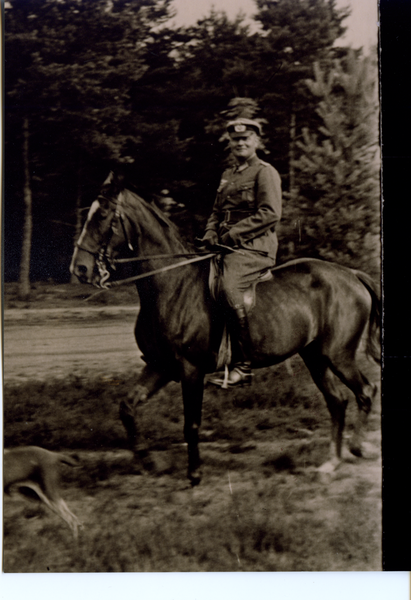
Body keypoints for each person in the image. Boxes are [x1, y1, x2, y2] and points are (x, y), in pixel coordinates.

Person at [198, 118, 282, 387]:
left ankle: (243, 366)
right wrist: (211, 232)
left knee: (228, 287)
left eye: (246, 138)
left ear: (257, 141)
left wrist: (233, 235)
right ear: (230, 143)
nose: (241, 143)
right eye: (236, 139)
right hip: (225, 246)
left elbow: (270, 214)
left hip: (254, 249)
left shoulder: (264, 172)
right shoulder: (229, 174)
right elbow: (216, 212)